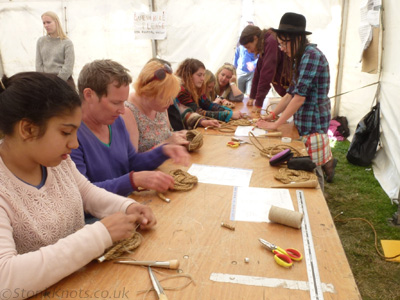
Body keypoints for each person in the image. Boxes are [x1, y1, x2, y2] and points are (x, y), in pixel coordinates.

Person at [0, 72, 156, 297]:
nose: (74, 143)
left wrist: (126, 207)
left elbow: (86, 192)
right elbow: (5, 279)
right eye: (65, 132)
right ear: (27, 129)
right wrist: (99, 235)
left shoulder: (55, 161)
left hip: (83, 283)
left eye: (75, 131)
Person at [70, 59, 190, 199]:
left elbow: (131, 162)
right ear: (89, 95)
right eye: (116, 103)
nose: (122, 110)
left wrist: (163, 151)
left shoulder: (116, 122)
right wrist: (133, 180)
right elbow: (82, 194)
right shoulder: (71, 136)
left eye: (123, 102)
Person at [255, 12, 336, 189]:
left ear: (297, 38)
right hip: (304, 123)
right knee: (307, 165)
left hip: (313, 124)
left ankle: (319, 209)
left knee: (313, 169)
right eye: (280, 44)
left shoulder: (311, 56)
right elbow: (290, 93)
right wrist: (273, 115)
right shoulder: (299, 58)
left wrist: (276, 125)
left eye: (284, 43)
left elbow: (299, 98)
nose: (282, 48)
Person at [122, 60, 189, 152]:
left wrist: (178, 135)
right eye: (166, 98)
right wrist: (167, 143)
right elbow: (133, 161)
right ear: (148, 93)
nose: (171, 103)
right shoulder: (127, 112)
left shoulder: (159, 108)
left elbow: (166, 134)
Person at [239, 24, 290, 112]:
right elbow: (258, 71)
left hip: (291, 90)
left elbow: (267, 73)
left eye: (248, 47)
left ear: (255, 38)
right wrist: (252, 96)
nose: (249, 51)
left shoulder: (270, 41)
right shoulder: (265, 43)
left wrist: (258, 104)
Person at [174, 58, 243, 122]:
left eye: (203, 75)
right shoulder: (182, 91)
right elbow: (198, 113)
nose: (203, 79)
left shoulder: (197, 89)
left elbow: (208, 105)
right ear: (188, 75)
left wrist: (227, 111)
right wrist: (228, 115)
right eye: (199, 75)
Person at [36, 11, 75, 89]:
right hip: (45, 82)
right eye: (44, 23)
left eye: (48, 22)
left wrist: (56, 82)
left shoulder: (67, 43)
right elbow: (39, 64)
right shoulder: (41, 41)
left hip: (64, 82)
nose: (46, 25)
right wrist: (43, 80)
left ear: (56, 22)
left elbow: (68, 67)